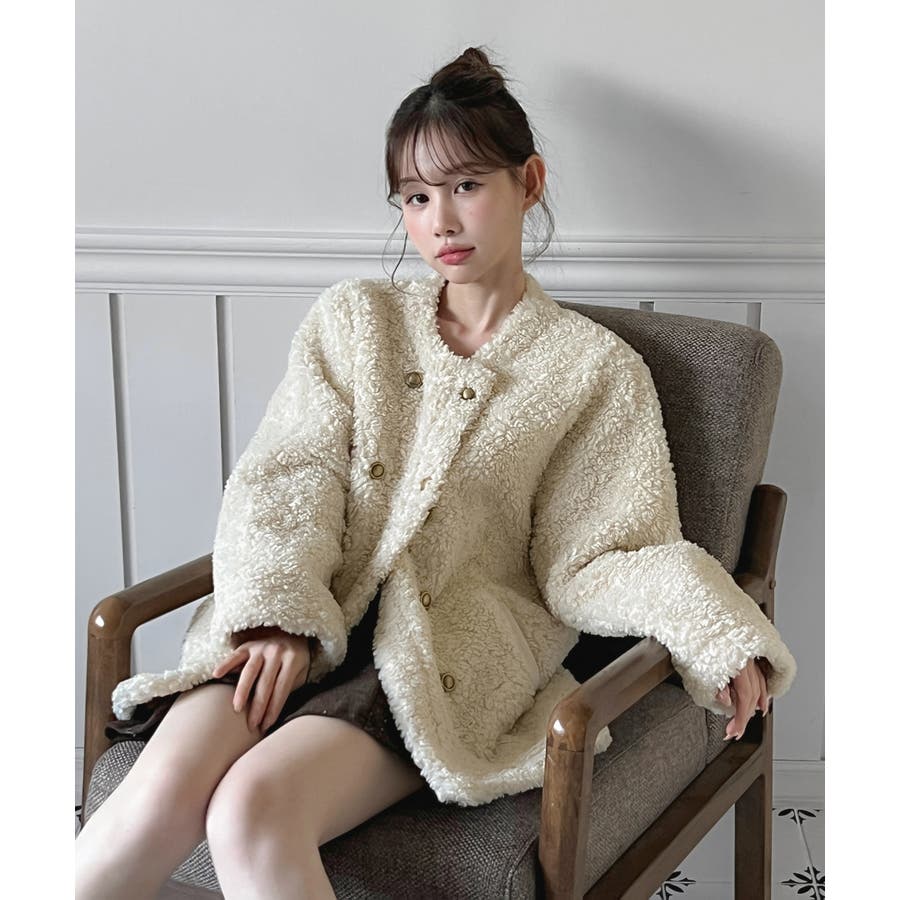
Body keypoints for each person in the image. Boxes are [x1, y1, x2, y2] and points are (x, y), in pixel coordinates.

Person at [76, 46, 789, 899]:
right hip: (303, 621)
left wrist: (714, 630)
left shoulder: (593, 370)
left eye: (466, 186)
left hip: (442, 664)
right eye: (415, 198)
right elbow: (287, 478)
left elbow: (604, 553)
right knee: (151, 797)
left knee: (251, 813)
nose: (441, 221)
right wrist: (276, 614)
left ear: (529, 182)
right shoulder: (355, 323)